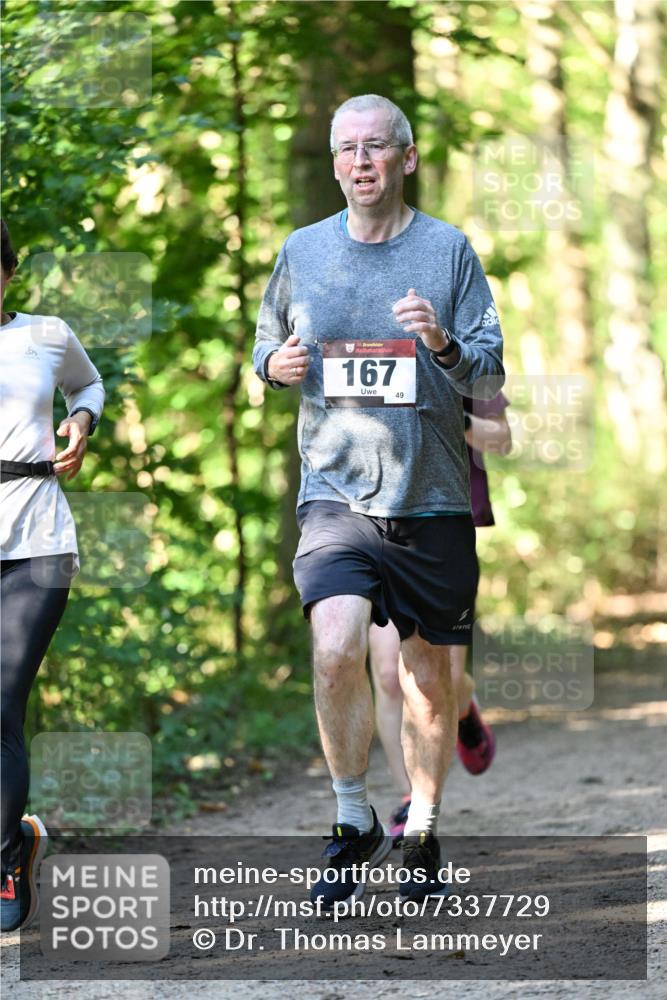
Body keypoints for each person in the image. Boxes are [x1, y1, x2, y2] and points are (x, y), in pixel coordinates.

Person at [253, 94, 504, 906]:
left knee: (427, 677)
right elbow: (265, 342)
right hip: (333, 493)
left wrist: (441, 343)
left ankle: (422, 826)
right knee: (335, 647)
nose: (360, 161)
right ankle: (351, 815)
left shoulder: (448, 250)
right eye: (346, 148)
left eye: (375, 146)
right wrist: (272, 368)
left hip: (430, 497)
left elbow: (489, 373)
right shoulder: (301, 250)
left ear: (407, 158)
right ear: (334, 163)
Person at [0, 219, 105, 932]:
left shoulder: (46, 335)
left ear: (8, 271)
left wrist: (81, 422)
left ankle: (6, 863)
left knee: (1, 702)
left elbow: (88, 383)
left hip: (37, 538)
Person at [369, 392, 511, 843]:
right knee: (389, 674)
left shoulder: (460, 357)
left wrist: (450, 416)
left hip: (444, 524)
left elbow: (501, 437)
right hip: (370, 522)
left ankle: (463, 709)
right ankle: (412, 800)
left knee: (442, 677)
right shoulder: (351, 349)